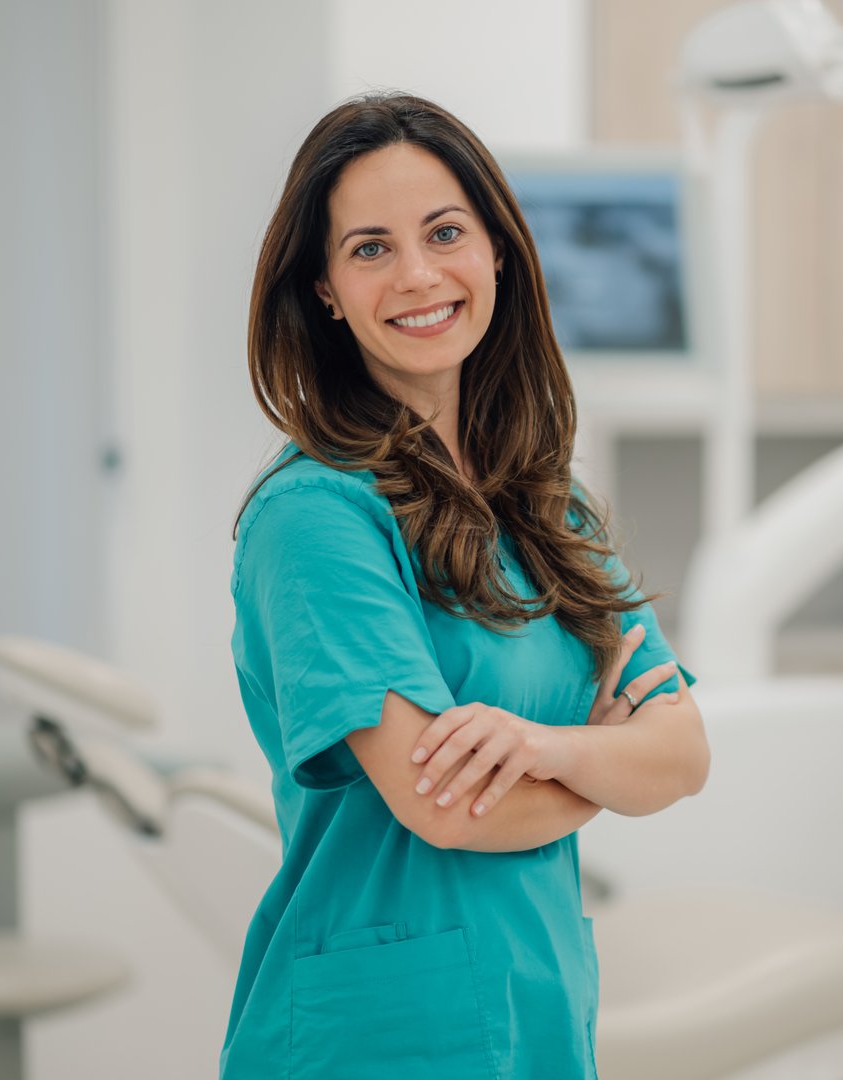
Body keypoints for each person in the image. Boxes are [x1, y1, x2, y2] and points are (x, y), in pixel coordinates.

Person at [221, 92, 709, 1080]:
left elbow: (683, 751)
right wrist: (603, 766)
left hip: (539, 1010)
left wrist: (540, 750)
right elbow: (445, 806)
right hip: (380, 1033)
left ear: (498, 249)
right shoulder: (316, 515)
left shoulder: (549, 502)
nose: (417, 275)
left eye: (445, 232)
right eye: (369, 248)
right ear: (322, 287)